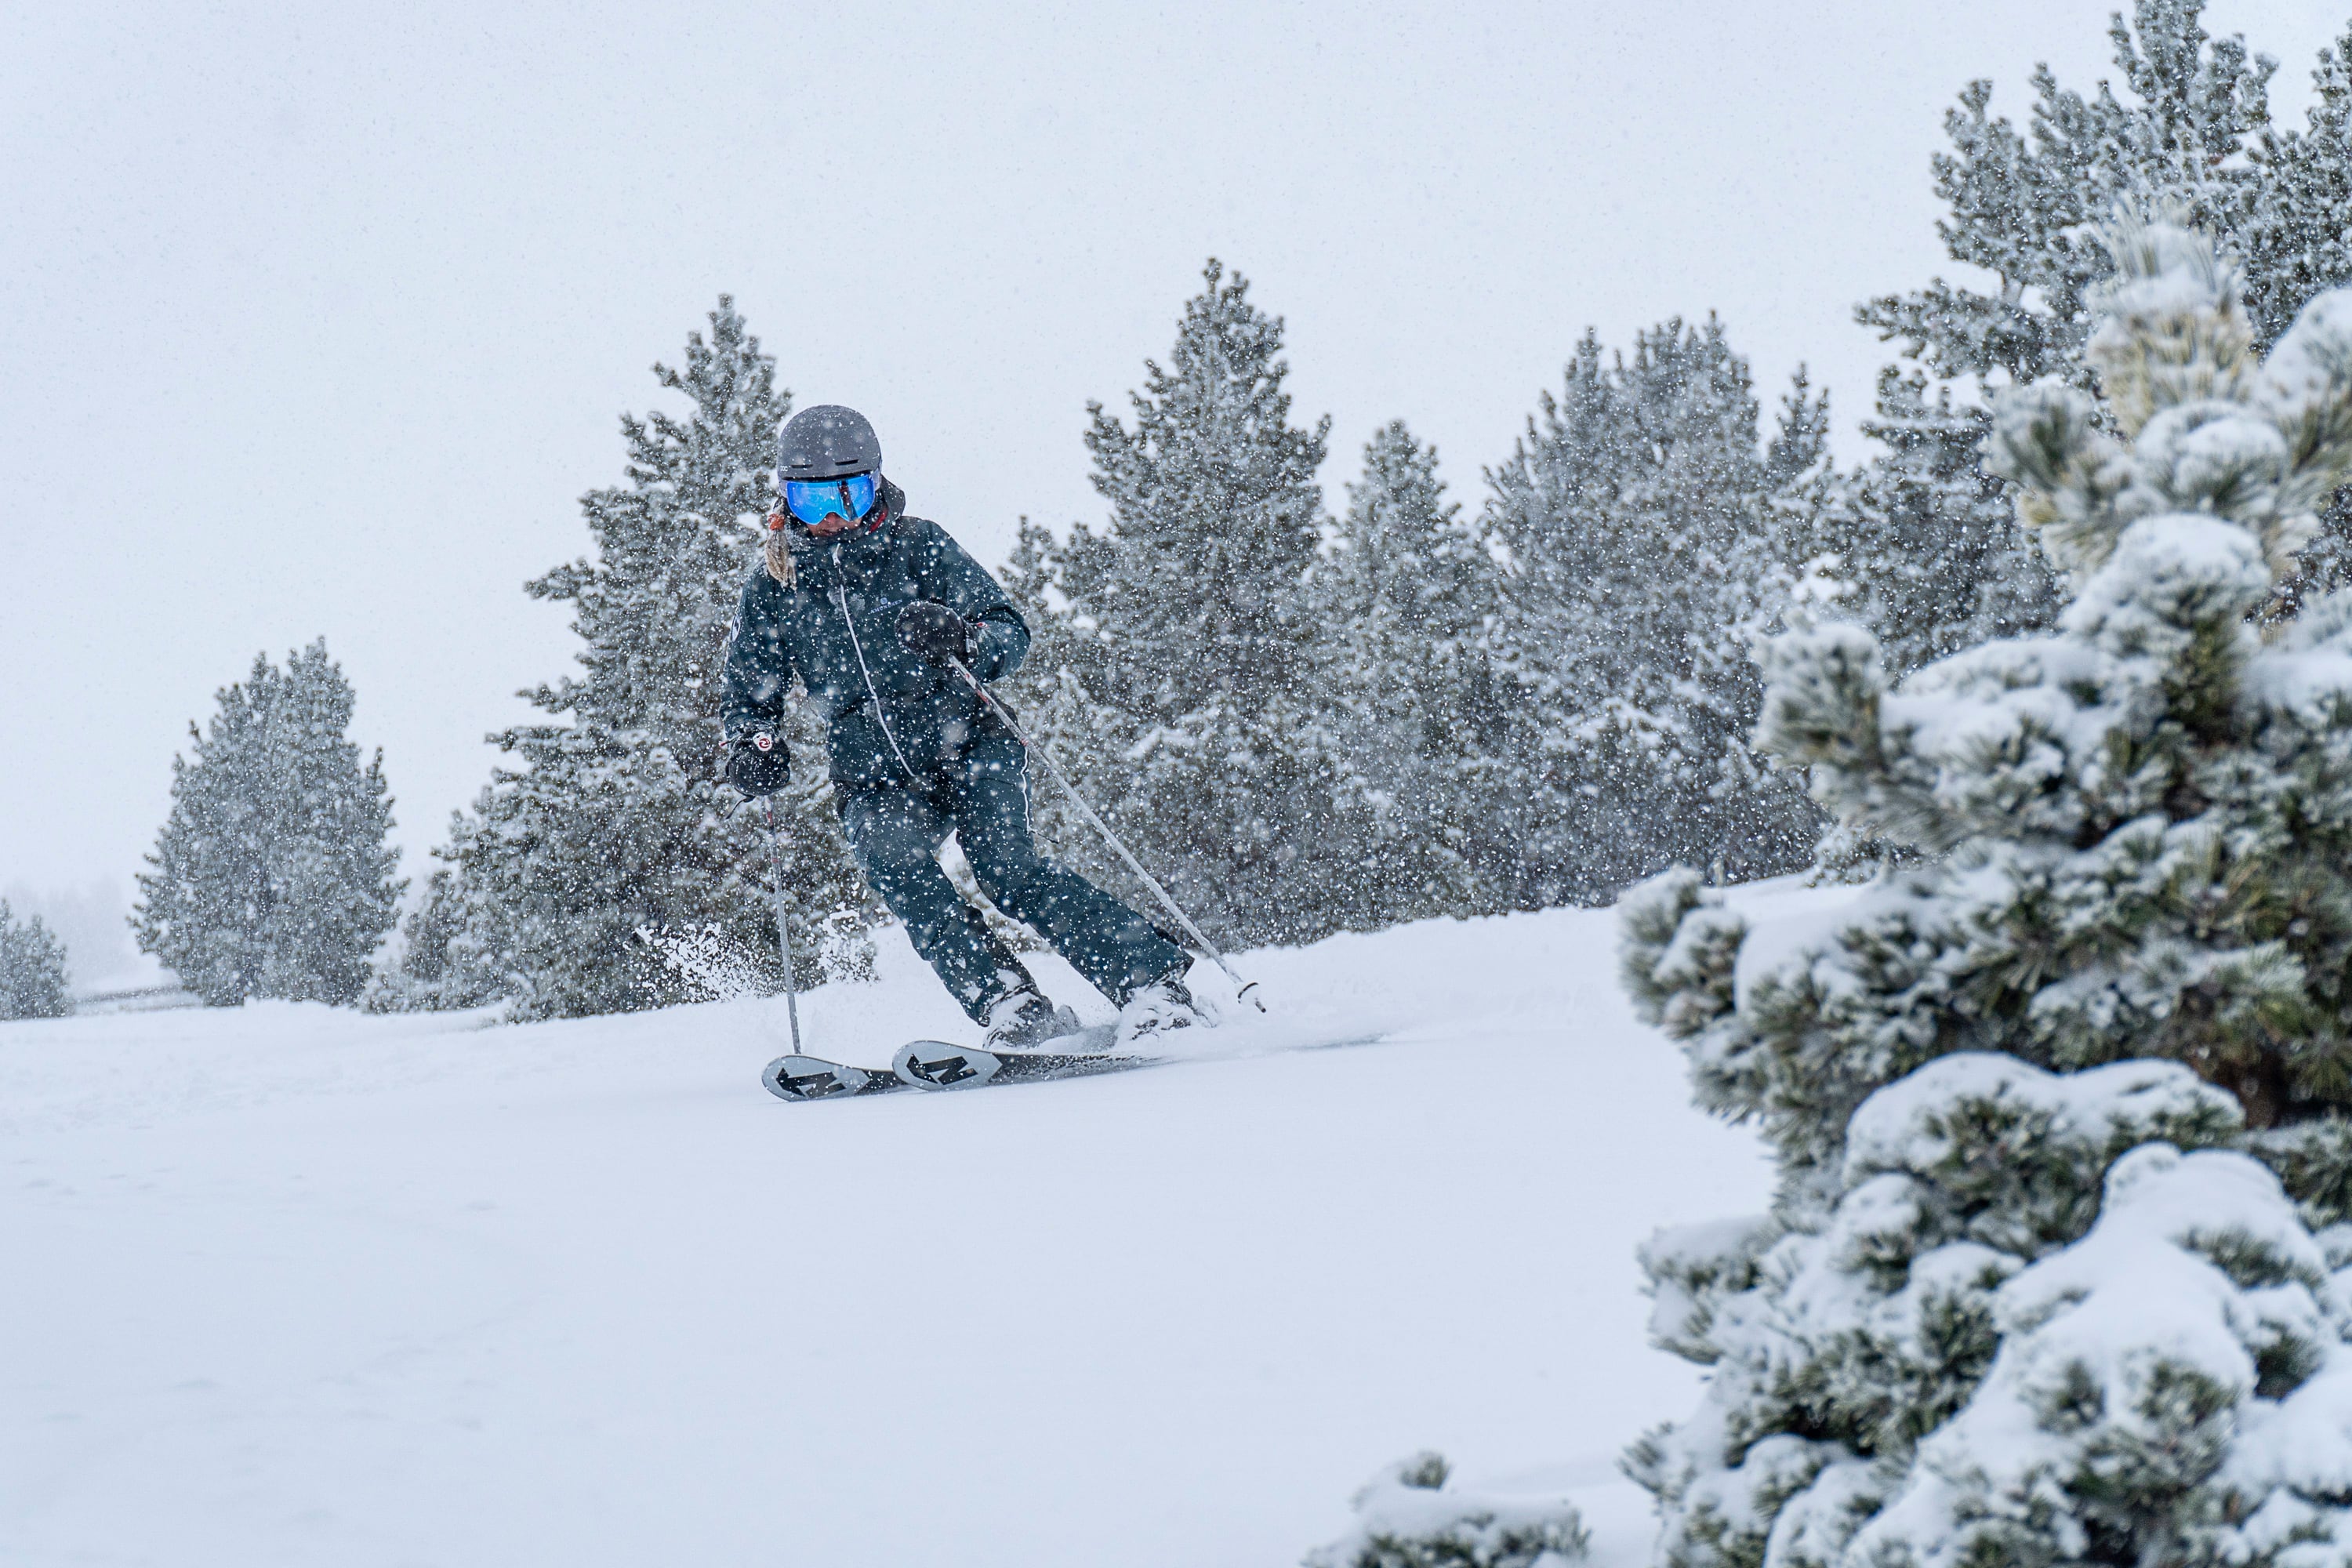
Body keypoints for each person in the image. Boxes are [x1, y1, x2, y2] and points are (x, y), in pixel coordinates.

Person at [720, 404, 1208, 1049]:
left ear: (874, 486)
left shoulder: (918, 545)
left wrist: (964, 638)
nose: (833, 515)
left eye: (849, 492)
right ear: (786, 502)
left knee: (1008, 870)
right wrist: (753, 745)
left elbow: (1009, 629)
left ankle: (1152, 983)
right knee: (900, 871)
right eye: (813, 502)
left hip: (972, 745)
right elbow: (748, 689)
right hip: (875, 776)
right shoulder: (776, 585)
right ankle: (1010, 1004)